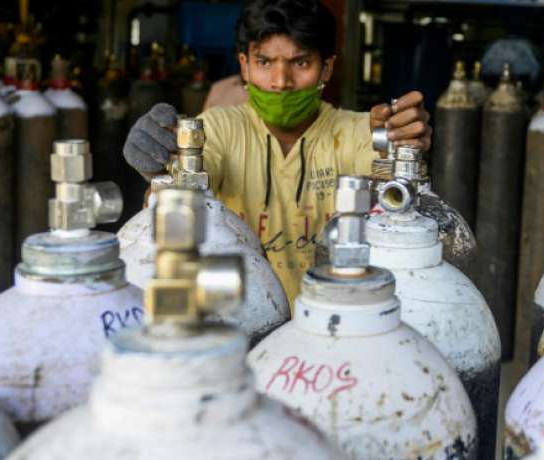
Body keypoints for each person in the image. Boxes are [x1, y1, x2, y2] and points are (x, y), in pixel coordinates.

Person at [123, 0, 432, 305]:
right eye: (265, 62)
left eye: (300, 63)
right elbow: (185, 187)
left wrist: (401, 141)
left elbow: (401, 194)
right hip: (241, 313)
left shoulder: (358, 132)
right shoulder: (218, 128)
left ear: (326, 68)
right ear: (244, 65)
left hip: (334, 319)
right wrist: (162, 171)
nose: (281, 82)